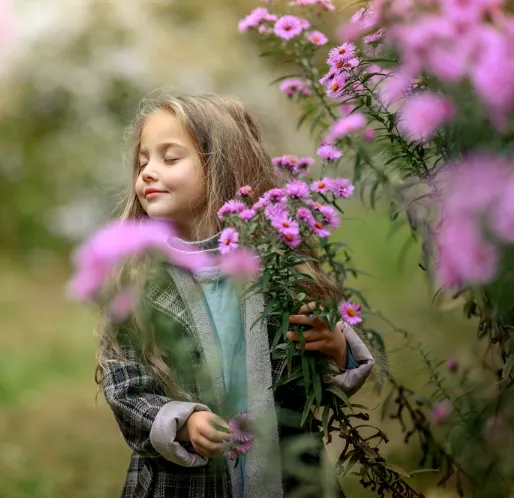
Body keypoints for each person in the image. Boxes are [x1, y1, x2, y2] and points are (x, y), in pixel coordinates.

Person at [95, 93, 375, 498]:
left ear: (221, 166)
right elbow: (124, 383)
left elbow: (309, 377)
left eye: (170, 159)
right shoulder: (139, 278)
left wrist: (334, 346)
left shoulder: (276, 267)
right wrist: (181, 421)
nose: (148, 174)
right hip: (184, 484)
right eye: (143, 163)